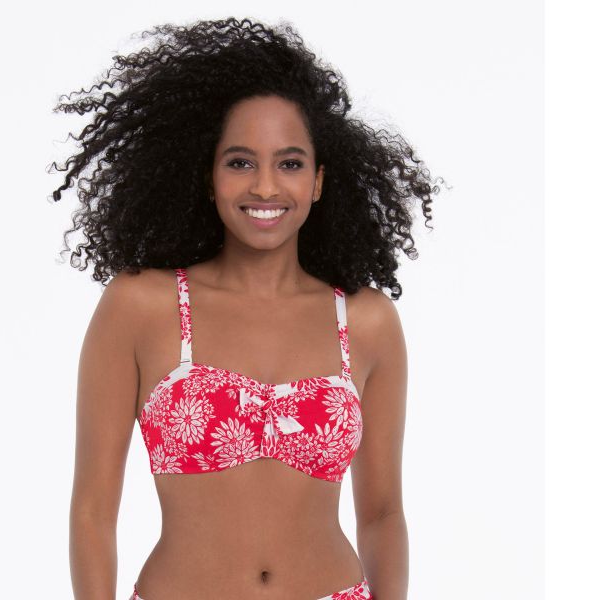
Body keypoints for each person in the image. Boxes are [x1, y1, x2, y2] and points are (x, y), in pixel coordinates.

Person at [51, 17, 442, 600]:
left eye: (290, 163)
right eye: (239, 162)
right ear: (209, 177)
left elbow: (383, 513)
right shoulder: (141, 306)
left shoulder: (366, 321)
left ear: (318, 181)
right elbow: (92, 511)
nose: (264, 187)